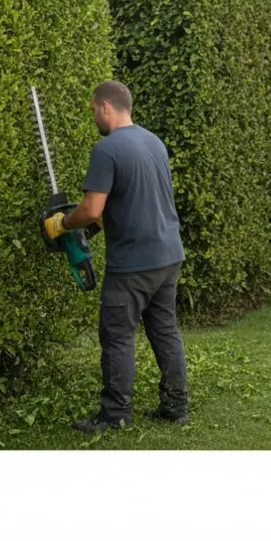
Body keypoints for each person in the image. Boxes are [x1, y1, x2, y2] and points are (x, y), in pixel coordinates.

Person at [43, 80, 189, 434]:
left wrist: (63, 223)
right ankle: (176, 405)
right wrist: (90, 231)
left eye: (94, 110)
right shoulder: (153, 142)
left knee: (118, 336)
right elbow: (133, 201)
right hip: (168, 255)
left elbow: (92, 207)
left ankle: (115, 414)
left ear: (106, 107)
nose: (94, 116)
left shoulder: (107, 149)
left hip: (132, 265)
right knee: (165, 330)